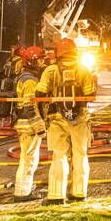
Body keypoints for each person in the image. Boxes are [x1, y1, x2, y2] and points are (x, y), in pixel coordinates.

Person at [37, 37, 95, 205]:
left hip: (57, 119)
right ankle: (79, 193)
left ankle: (56, 195)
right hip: (80, 119)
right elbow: (90, 95)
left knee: (59, 156)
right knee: (81, 154)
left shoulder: (51, 70)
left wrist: (45, 116)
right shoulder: (83, 70)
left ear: (57, 53)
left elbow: (40, 94)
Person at [12, 46, 47, 201]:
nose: (42, 62)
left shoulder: (23, 76)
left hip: (23, 123)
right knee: (29, 160)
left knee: (27, 158)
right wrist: (40, 127)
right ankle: (23, 193)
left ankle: (24, 189)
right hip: (29, 125)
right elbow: (30, 107)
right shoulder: (30, 81)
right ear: (32, 61)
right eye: (39, 59)